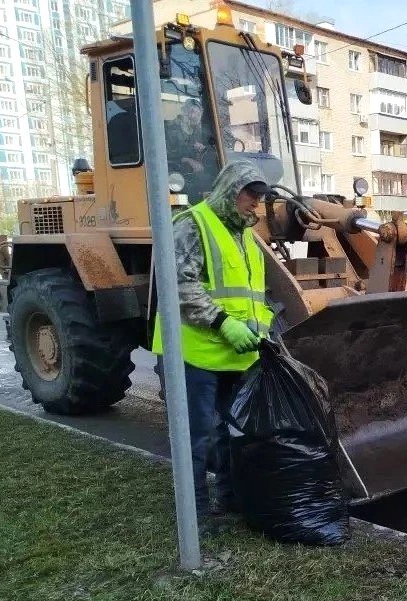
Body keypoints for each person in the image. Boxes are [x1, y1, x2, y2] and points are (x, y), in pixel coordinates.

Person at [152, 161, 274, 519]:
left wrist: (264, 327)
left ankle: (229, 499)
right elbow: (179, 285)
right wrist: (223, 323)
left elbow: (252, 294)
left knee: (231, 432)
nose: (256, 202)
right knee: (196, 436)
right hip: (195, 353)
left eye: (260, 195)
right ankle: (196, 514)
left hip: (235, 355)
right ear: (230, 191)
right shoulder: (193, 223)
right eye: (250, 193)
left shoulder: (245, 235)